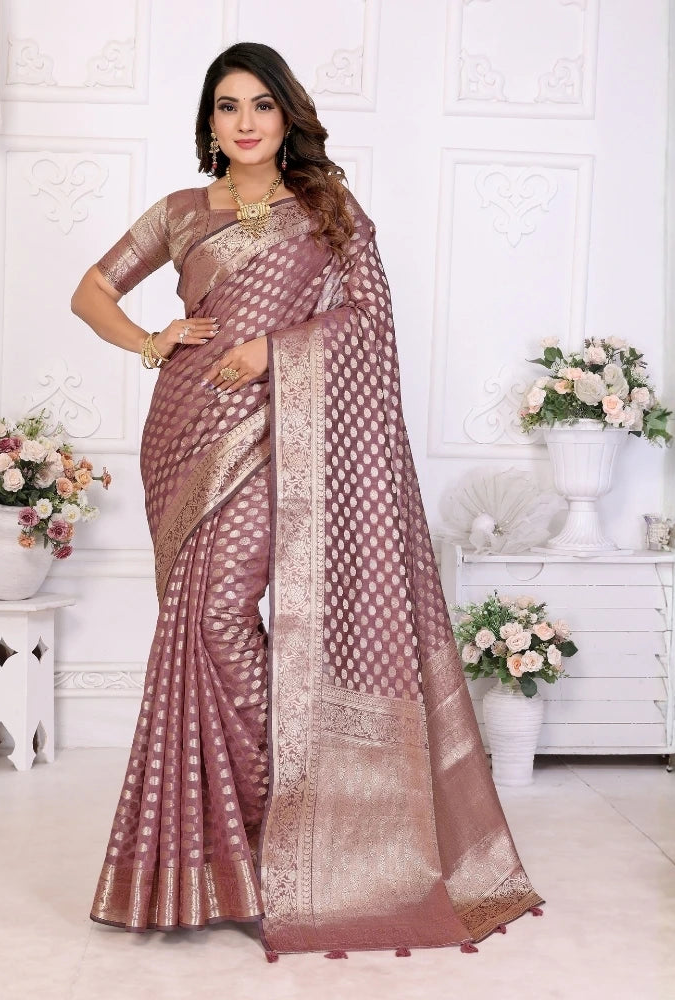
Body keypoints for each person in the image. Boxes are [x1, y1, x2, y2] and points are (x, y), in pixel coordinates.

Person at [71, 41, 542, 958]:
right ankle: (254, 842)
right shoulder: (178, 213)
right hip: (182, 433)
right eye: (225, 107)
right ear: (208, 124)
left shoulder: (325, 210)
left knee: (214, 617)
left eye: (260, 105)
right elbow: (91, 291)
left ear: (287, 116)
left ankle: (293, 814)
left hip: (278, 434)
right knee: (195, 629)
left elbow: (369, 318)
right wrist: (152, 339)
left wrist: (276, 350)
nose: (244, 122)